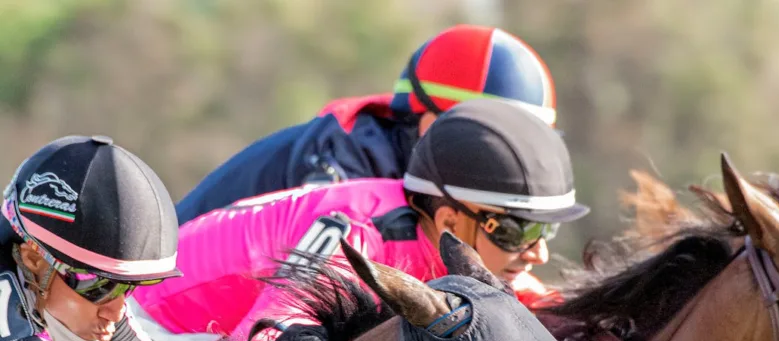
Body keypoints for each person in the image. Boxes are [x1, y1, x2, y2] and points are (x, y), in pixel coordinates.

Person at [132, 99, 587, 341]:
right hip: (156, 323)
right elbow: (264, 340)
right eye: (517, 233)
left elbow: (536, 301)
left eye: (543, 233)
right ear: (450, 220)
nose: (537, 254)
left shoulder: (453, 238)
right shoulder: (361, 231)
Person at [0, 136, 327, 341]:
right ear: (34, 259)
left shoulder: (49, 277)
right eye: (101, 287)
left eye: (127, 289)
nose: (115, 311)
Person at [175, 24, 557, 224]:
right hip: (155, 307)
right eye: (497, 148)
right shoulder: (345, 163)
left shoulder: (415, 165)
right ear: (428, 125)